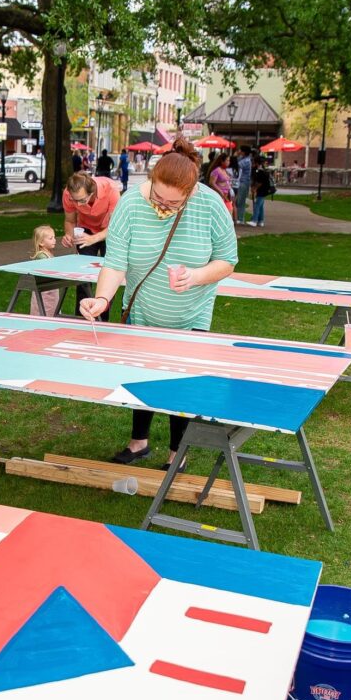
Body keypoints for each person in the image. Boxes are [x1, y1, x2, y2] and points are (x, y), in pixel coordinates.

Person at [79, 137, 237, 468]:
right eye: (157, 197)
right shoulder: (130, 204)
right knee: (142, 377)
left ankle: (177, 452)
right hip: (143, 309)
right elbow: (115, 261)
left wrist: (195, 276)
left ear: (192, 191)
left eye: (173, 203)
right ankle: (139, 443)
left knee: (178, 382)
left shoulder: (211, 206)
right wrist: (102, 298)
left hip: (191, 312)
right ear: (150, 181)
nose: (162, 207)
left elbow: (227, 260)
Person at [61, 172, 120, 321]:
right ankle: (82, 319)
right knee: (83, 277)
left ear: (92, 191)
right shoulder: (68, 194)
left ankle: (102, 320)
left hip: (110, 231)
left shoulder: (111, 190)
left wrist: (93, 239)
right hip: (86, 229)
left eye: (82, 200)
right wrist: (69, 235)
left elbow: (115, 227)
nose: (78, 204)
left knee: (109, 274)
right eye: (75, 201)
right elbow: (70, 220)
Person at [29, 225, 59, 316]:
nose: (54, 240)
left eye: (54, 237)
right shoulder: (42, 256)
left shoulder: (49, 254)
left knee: (53, 311)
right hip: (44, 292)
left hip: (51, 290)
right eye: (51, 238)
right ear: (41, 243)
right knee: (43, 312)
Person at [207, 153, 235, 219]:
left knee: (229, 213)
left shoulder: (225, 170)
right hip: (219, 196)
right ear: (222, 161)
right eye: (227, 160)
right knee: (220, 214)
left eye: (229, 160)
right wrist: (220, 191)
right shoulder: (216, 171)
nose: (229, 162)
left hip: (227, 196)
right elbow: (211, 183)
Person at [250, 155, 271, 227]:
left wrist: (254, 188)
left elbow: (259, 182)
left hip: (261, 190)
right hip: (265, 190)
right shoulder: (263, 170)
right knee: (261, 205)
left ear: (256, 163)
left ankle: (254, 220)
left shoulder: (260, 171)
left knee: (257, 205)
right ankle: (260, 220)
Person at [234, 146, 252, 225]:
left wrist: (235, 156)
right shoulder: (243, 159)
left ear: (244, 152)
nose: (239, 151)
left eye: (240, 150)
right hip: (241, 182)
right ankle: (239, 217)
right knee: (238, 200)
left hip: (244, 182)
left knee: (240, 201)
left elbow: (236, 165)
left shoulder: (246, 161)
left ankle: (240, 218)